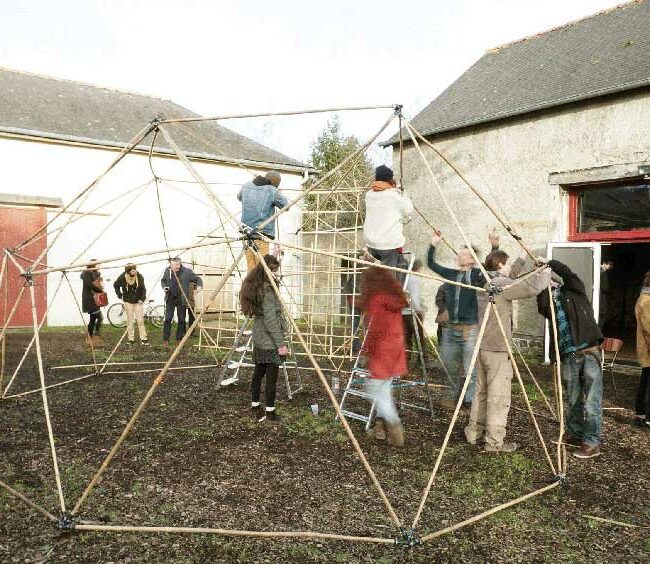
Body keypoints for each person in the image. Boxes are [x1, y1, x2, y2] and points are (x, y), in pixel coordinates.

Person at [465, 251, 551, 453]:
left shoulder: (486, 283)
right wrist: (546, 269)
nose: (509, 267)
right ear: (501, 265)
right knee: (498, 395)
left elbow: (511, 279)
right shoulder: (502, 285)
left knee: (481, 392)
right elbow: (532, 287)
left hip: (482, 346)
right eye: (508, 263)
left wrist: (523, 259)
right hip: (497, 348)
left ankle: (473, 432)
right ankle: (494, 442)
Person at [537, 259, 604, 459]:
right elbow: (541, 307)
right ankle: (575, 435)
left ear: (557, 281)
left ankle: (592, 442)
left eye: (550, 281)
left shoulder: (575, 292)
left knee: (591, 400)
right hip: (569, 357)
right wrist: (540, 281)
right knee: (573, 399)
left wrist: (549, 264)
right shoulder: (549, 301)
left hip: (588, 352)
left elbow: (568, 273)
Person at [427, 230, 499, 407]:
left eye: (465, 253)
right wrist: (434, 244)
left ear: (473, 259)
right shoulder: (452, 275)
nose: (460, 254)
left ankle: (468, 402)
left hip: (469, 330)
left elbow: (490, 268)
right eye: (459, 253)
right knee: (448, 365)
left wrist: (494, 245)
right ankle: (450, 396)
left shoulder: (476, 275)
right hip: (451, 329)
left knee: (470, 369)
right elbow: (431, 264)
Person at [358, 266, 408, 446]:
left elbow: (375, 330)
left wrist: (368, 352)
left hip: (384, 349)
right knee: (384, 389)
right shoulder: (393, 298)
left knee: (373, 389)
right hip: (395, 346)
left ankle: (394, 426)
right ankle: (394, 434)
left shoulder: (377, 299)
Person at [239, 254, 288, 423]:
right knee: (271, 376)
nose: (276, 273)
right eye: (274, 270)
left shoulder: (259, 286)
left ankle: (254, 404)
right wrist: (280, 344)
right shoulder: (267, 290)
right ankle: (270, 412)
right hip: (268, 339)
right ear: (269, 270)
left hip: (259, 336)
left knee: (258, 371)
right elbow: (270, 320)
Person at [363, 165, 413, 271]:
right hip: (388, 245)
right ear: (390, 180)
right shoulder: (393, 196)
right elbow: (408, 210)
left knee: (373, 274)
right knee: (388, 278)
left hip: (371, 244)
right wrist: (404, 194)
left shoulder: (369, 195)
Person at [238, 171, 288, 272]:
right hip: (261, 235)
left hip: (246, 234)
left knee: (251, 269)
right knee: (261, 270)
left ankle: (250, 288)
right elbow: (286, 206)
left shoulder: (246, 186)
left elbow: (239, 197)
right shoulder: (272, 190)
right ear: (275, 183)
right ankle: (258, 288)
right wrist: (278, 191)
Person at [160, 257, 203, 346]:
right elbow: (163, 280)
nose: (171, 267)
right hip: (170, 298)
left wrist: (198, 287)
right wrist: (164, 287)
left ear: (178, 265)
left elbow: (198, 279)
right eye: (171, 265)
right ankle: (165, 339)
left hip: (181, 299)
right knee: (168, 319)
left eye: (173, 265)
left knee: (181, 320)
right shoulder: (168, 270)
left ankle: (179, 339)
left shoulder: (187, 272)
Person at [113, 263, 148, 346]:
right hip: (128, 301)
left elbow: (143, 289)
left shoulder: (139, 276)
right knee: (130, 321)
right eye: (132, 270)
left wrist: (142, 299)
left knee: (140, 320)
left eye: (135, 269)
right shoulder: (122, 277)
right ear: (128, 271)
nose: (134, 271)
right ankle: (131, 339)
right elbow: (115, 285)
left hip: (138, 301)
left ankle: (144, 339)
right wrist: (120, 295)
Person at [402, 259, 428, 367]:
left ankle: (406, 359)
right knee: (419, 337)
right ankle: (423, 360)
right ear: (418, 268)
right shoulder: (415, 279)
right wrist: (419, 310)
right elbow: (416, 297)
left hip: (404, 311)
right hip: (414, 311)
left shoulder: (405, 277)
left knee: (406, 336)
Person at [634, 271, 650, 428]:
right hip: (648, 348)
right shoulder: (646, 301)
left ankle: (641, 414)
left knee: (646, 381)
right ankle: (644, 415)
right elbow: (649, 328)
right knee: (647, 383)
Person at [80, 261, 104, 346]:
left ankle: (89, 336)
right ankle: (96, 333)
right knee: (99, 317)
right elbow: (89, 285)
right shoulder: (87, 273)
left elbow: (97, 283)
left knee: (92, 319)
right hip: (90, 299)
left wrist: (101, 286)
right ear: (93, 265)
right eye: (98, 264)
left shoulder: (94, 273)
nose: (99, 266)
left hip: (95, 299)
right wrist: (99, 290)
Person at [599, 259, 614, 330]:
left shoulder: (599, 271)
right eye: (609, 265)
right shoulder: (602, 273)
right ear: (604, 263)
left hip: (601, 295)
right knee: (602, 314)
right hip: (601, 296)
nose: (610, 267)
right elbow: (605, 287)